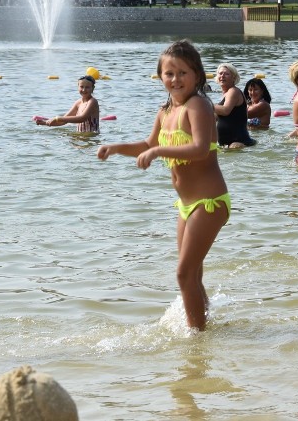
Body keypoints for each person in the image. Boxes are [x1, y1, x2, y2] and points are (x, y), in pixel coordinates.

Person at [97, 40, 228, 331]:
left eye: (182, 72)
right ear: (160, 77)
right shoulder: (166, 110)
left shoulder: (199, 105)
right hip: (186, 205)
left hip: (210, 202)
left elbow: (200, 149)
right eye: (168, 73)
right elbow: (148, 143)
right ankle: (205, 326)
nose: (175, 79)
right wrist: (117, 147)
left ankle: (196, 339)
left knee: (184, 273)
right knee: (191, 274)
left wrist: (158, 152)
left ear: (197, 75)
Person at [35, 75, 100, 133]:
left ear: (93, 88)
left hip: (92, 137)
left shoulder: (93, 102)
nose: (84, 90)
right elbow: (63, 121)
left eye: (87, 87)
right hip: (80, 135)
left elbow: (82, 118)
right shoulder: (78, 103)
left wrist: (57, 118)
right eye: (81, 87)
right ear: (78, 87)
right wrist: (45, 123)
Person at [213, 63, 255, 148]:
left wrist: (205, 103)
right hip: (225, 145)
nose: (222, 76)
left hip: (238, 143)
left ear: (234, 78)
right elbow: (215, 118)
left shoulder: (233, 91)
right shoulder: (225, 94)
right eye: (220, 73)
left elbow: (225, 110)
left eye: (226, 74)